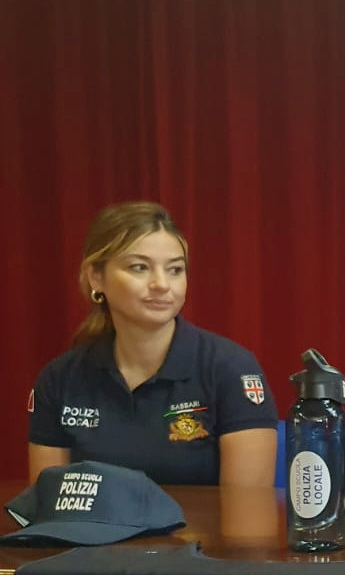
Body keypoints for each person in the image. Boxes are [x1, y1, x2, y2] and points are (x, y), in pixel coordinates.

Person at [27, 202, 278, 487]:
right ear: (96, 276)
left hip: (199, 521)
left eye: (175, 269)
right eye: (140, 267)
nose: (161, 284)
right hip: (93, 520)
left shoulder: (232, 369)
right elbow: (48, 502)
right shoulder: (60, 379)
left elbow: (248, 510)